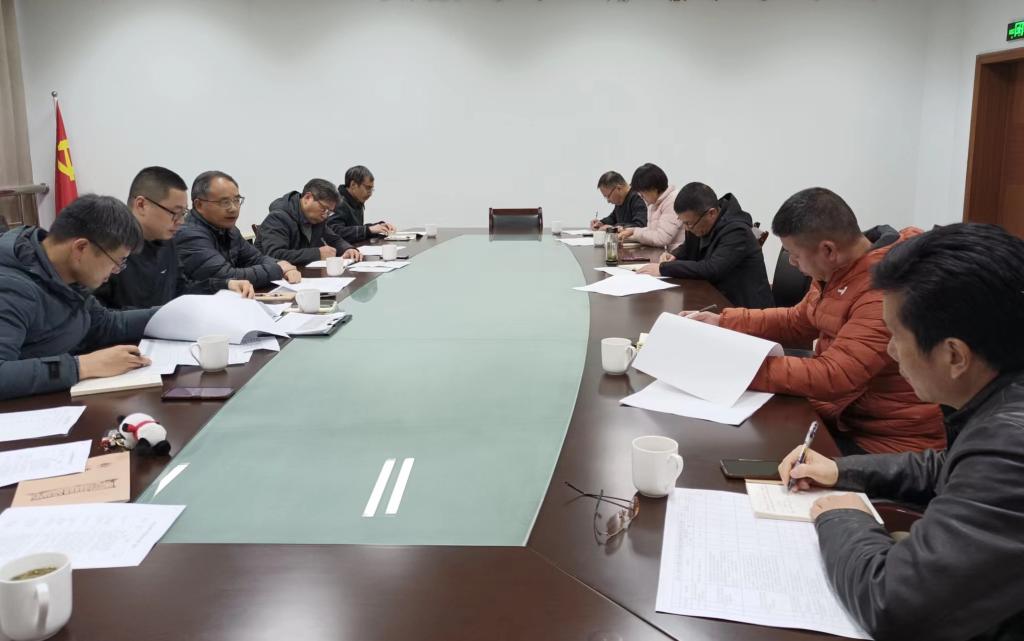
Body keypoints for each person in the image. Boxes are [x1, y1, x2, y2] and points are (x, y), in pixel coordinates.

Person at [779, 223, 1024, 641]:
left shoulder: (1010, 443)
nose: (890, 351)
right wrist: (842, 470)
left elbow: (893, 604)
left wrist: (844, 515)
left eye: (896, 336)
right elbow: (951, 467)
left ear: (954, 355)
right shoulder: (1001, 404)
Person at [687, 187, 945, 455]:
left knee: (748, 451)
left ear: (828, 250)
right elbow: (797, 321)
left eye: (794, 254)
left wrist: (738, 367)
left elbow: (834, 375)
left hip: (883, 443)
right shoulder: (838, 271)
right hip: (842, 414)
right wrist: (723, 321)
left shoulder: (884, 289)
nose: (792, 262)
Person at [0, 195, 157, 400]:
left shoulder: (61, 273)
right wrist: (82, 366)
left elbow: (104, 324)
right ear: (81, 248)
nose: (116, 271)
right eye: (117, 262)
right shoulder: (11, 288)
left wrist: (169, 314)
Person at [95, 167, 253, 309]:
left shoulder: (166, 240)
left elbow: (180, 290)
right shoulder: (105, 246)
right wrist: (158, 316)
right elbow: (99, 319)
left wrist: (225, 285)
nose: (181, 222)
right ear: (141, 205)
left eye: (183, 213)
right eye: (174, 213)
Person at [636, 182, 773, 309]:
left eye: (689, 223)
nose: (687, 228)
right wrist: (674, 255)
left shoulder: (737, 231)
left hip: (743, 309)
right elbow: (688, 247)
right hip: (715, 297)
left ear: (711, 213)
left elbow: (712, 269)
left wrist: (664, 268)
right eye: (683, 222)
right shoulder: (701, 222)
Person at [175, 171, 300, 288]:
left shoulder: (229, 229)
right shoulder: (188, 234)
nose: (233, 208)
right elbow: (226, 277)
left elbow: (255, 258)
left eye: (236, 200)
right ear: (199, 205)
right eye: (224, 202)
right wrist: (278, 269)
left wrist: (281, 264)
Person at [256, 179, 362, 267]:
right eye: (324, 208)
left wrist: (347, 249)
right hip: (274, 281)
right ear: (307, 198)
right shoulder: (278, 218)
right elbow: (274, 255)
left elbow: (334, 239)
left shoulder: (316, 218)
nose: (325, 215)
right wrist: (317, 254)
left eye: (329, 212)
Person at [616, 163, 684, 250]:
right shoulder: (654, 203)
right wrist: (631, 231)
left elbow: (661, 238)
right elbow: (652, 231)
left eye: (642, 192)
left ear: (653, 189)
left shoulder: (672, 201)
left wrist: (635, 232)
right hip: (664, 253)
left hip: (675, 254)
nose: (641, 196)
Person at [326, 165, 395, 244]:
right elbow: (334, 232)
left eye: (372, 189)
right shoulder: (337, 202)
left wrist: (379, 226)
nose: (370, 193)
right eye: (368, 188)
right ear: (353, 185)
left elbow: (355, 229)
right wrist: (368, 230)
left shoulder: (356, 201)